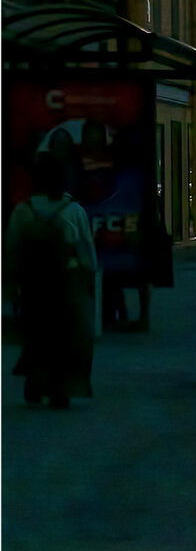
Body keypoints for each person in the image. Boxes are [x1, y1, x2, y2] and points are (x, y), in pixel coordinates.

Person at [6, 154, 98, 408]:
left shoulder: (23, 210)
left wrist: (12, 288)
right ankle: (61, 388)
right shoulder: (73, 211)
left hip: (33, 283)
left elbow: (12, 250)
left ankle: (35, 381)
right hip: (66, 282)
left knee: (37, 333)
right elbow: (86, 254)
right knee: (65, 336)